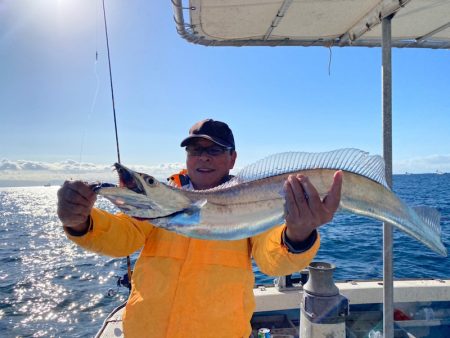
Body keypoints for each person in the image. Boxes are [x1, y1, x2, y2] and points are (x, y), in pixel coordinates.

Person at [57, 119, 342, 338]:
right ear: (186, 157)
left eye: (215, 150)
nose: (203, 157)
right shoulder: (161, 200)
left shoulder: (251, 200)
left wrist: (298, 236)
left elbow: (272, 259)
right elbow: (122, 237)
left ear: (233, 158)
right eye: (195, 149)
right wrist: (81, 221)